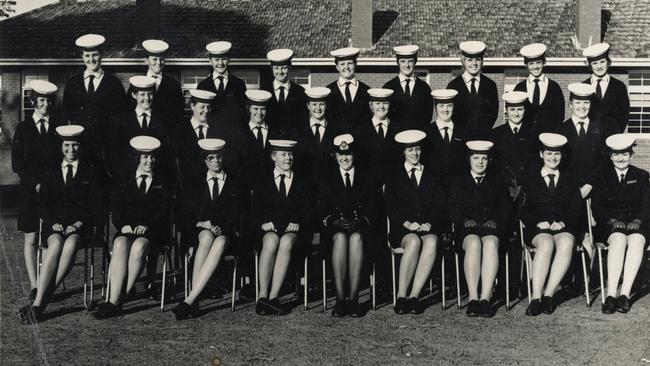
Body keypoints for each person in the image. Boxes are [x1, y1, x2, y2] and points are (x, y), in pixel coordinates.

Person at [18, 125, 97, 324]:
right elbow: (44, 204)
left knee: (70, 244)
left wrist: (78, 223)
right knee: (55, 244)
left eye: (75, 145)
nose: (71, 150)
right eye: (67, 145)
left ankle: (38, 304)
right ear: (61, 146)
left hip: (79, 228)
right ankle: (40, 303)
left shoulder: (90, 171)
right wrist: (53, 224)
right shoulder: (51, 171)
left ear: (81, 146)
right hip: (55, 226)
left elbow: (96, 206)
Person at [94, 136, 172, 319]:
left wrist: (147, 226)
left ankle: (118, 300)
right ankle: (115, 298)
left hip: (152, 234)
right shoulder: (124, 180)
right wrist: (124, 225)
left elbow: (164, 211)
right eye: (145, 157)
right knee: (120, 243)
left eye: (152, 157)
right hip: (128, 231)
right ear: (136, 158)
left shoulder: (163, 181)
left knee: (138, 246)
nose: (149, 161)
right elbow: (117, 209)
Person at [172, 139, 243, 320]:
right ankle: (193, 301)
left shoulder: (234, 182)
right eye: (211, 158)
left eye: (219, 157)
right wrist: (202, 224)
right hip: (201, 232)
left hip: (228, 235)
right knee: (205, 237)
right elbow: (184, 215)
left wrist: (223, 228)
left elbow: (240, 214)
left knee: (218, 241)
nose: (216, 161)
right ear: (205, 160)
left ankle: (190, 299)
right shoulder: (194, 183)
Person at [11, 80, 61, 302]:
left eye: (49, 101)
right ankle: (34, 284)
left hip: (53, 193)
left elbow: (63, 159)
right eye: (41, 100)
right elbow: (17, 164)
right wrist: (35, 183)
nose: (45, 105)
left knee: (53, 235)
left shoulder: (59, 127)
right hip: (29, 192)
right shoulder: (23, 129)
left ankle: (48, 282)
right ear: (33, 102)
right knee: (31, 237)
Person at [385, 130, 444, 314]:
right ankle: (401, 296)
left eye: (417, 149)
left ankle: (414, 297)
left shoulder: (433, 174)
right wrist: (407, 223)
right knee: (413, 241)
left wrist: (430, 223)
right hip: (402, 230)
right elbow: (390, 208)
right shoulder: (393, 176)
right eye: (410, 150)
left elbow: (439, 204)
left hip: (426, 227)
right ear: (403, 152)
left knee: (432, 241)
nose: (415, 153)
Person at [521, 133, 581, 316]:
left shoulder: (570, 178)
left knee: (566, 243)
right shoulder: (530, 177)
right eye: (548, 154)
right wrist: (538, 222)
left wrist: (563, 222)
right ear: (541, 155)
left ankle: (548, 295)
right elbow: (523, 209)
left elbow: (576, 207)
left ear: (562, 156)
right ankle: (536, 297)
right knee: (546, 243)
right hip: (538, 228)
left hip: (564, 226)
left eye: (557, 154)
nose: (553, 158)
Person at [448, 141, 510, 317]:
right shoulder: (459, 181)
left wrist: (496, 221)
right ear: (469, 159)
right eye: (476, 158)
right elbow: (452, 207)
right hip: (467, 229)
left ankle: (485, 299)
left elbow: (506, 208)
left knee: (490, 244)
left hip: (491, 228)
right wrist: (464, 220)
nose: (480, 162)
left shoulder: (497, 181)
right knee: (474, 243)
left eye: (484, 158)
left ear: (489, 160)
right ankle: (473, 298)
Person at [251, 140, 312, 315]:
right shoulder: (263, 180)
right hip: (269, 230)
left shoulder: (302, 181)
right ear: (273, 157)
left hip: (294, 233)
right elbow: (255, 211)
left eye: (290, 154)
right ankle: (262, 297)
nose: (288, 158)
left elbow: (308, 212)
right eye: (283, 154)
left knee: (285, 242)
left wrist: (297, 222)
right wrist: (263, 223)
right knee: (270, 242)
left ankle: (273, 296)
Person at [319, 134, 376, 317]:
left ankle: (353, 299)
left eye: (349, 154)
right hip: (335, 229)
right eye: (341, 154)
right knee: (341, 238)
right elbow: (320, 207)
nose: (345, 158)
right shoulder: (327, 177)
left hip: (360, 228)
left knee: (357, 238)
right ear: (335, 156)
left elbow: (374, 206)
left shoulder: (366, 176)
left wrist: (360, 220)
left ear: (355, 155)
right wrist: (333, 220)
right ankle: (340, 299)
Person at [592, 134, 649, 314]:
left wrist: (638, 221)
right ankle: (610, 295)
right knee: (618, 241)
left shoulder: (641, 175)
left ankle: (624, 294)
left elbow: (647, 204)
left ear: (631, 154)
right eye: (616, 154)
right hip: (611, 226)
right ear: (610, 156)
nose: (621, 158)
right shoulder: (602, 177)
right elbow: (597, 206)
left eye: (624, 154)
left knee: (637, 241)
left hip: (637, 225)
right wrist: (612, 221)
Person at [63, 34, 127, 172]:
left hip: (106, 149)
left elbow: (121, 118)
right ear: (82, 57)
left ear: (101, 55)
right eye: (87, 55)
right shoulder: (72, 83)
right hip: (80, 149)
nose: (91, 59)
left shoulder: (114, 84)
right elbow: (67, 114)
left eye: (95, 55)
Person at [491, 91, 537, 211]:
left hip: (527, 187)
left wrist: (523, 184)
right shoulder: (496, 133)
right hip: (503, 187)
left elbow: (535, 163)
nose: (516, 113)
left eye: (520, 109)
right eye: (512, 109)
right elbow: (494, 164)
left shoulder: (533, 133)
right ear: (506, 110)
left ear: (525, 110)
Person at [446, 41, 498, 139]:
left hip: (483, 139)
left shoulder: (490, 85)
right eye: (470, 60)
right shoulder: (453, 85)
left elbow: (493, 114)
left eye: (477, 59)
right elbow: (450, 114)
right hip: (460, 139)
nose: (474, 64)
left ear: (482, 61)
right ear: (463, 61)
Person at [135, 39, 185, 134]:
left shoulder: (173, 85)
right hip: (141, 132)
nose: (159, 62)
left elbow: (179, 114)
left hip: (166, 135)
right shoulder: (137, 82)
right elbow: (130, 111)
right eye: (154, 59)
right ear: (146, 60)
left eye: (162, 59)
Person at [513, 43, 565, 133]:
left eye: (538, 62)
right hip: (525, 138)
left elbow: (560, 115)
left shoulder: (554, 87)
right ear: (526, 65)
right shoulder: (519, 88)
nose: (535, 67)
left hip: (548, 138)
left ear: (544, 62)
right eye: (531, 63)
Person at [582, 43, 630, 134]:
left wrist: (615, 134)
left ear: (608, 62)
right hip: (588, 138)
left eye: (602, 62)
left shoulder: (619, 86)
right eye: (595, 63)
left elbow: (624, 114)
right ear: (590, 65)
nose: (599, 66)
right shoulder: (584, 86)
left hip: (611, 138)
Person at [382, 45, 433, 130]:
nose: (407, 65)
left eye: (410, 61)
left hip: (418, 137)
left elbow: (427, 117)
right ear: (397, 62)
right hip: (395, 138)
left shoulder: (424, 88)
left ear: (415, 62)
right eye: (403, 61)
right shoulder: (388, 88)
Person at [424, 89, 466, 190]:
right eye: (441, 106)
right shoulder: (427, 132)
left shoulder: (463, 132)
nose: (445, 110)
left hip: (458, 188)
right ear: (435, 108)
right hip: (434, 188)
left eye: (449, 106)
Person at [261, 48, 307, 134]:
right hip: (269, 140)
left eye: (284, 68)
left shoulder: (300, 91)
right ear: (271, 68)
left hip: (293, 141)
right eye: (276, 68)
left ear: (289, 67)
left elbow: (303, 120)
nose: (280, 72)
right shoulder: (264, 90)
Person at [326, 47, 371, 131]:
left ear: (355, 64)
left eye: (350, 63)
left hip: (361, 141)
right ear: (337, 67)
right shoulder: (328, 91)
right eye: (342, 64)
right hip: (335, 141)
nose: (346, 67)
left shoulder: (366, 91)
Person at [197, 41, 247, 113]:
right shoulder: (203, 85)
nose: (220, 63)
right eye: (216, 60)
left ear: (229, 59)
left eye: (224, 59)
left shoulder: (239, 84)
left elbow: (243, 112)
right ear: (210, 61)